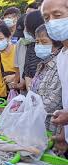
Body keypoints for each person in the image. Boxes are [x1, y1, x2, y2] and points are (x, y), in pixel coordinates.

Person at [31, 24, 64, 155]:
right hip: (39, 125)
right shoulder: (43, 64)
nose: (39, 46)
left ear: (56, 44)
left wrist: (29, 111)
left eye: (44, 42)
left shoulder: (59, 64)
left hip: (53, 128)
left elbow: (52, 101)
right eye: (37, 42)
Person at [42, 0, 68, 148]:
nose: (51, 22)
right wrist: (64, 136)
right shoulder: (62, 55)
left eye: (57, 15)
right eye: (46, 18)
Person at [0, 24, 18, 98]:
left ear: (8, 37)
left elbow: (27, 72)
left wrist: (14, 77)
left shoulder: (17, 51)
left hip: (18, 92)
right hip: (1, 94)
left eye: (1, 39)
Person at [22, 10, 45, 91]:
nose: (24, 30)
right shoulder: (31, 47)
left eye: (26, 26)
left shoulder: (58, 46)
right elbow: (27, 73)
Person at [13, 14, 28, 92]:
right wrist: (15, 83)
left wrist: (26, 82)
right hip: (23, 92)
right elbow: (17, 67)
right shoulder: (20, 43)